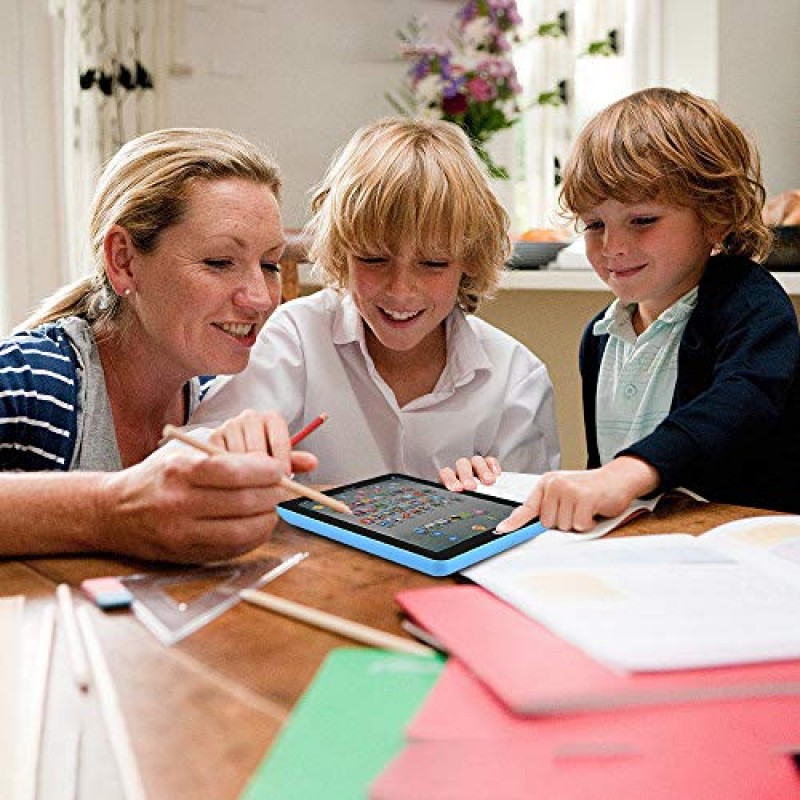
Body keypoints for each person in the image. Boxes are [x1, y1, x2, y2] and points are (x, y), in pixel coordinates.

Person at [0, 127, 316, 562]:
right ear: (124, 261)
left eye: (269, 264)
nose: (260, 298)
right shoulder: (34, 381)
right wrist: (112, 509)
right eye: (219, 262)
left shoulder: (212, 394)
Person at [494, 87, 800, 535]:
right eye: (595, 224)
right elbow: (607, 475)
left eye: (642, 220)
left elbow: (742, 401)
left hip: (751, 554)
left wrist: (628, 471)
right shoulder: (598, 338)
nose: (613, 247)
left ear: (714, 215)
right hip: (648, 554)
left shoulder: (749, 303)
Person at [190, 116, 560, 485]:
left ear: (469, 262)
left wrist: (499, 501)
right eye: (373, 259)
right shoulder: (297, 339)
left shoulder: (515, 377)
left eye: (432, 264)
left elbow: (533, 520)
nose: (400, 290)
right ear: (342, 252)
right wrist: (232, 446)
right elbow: (195, 453)